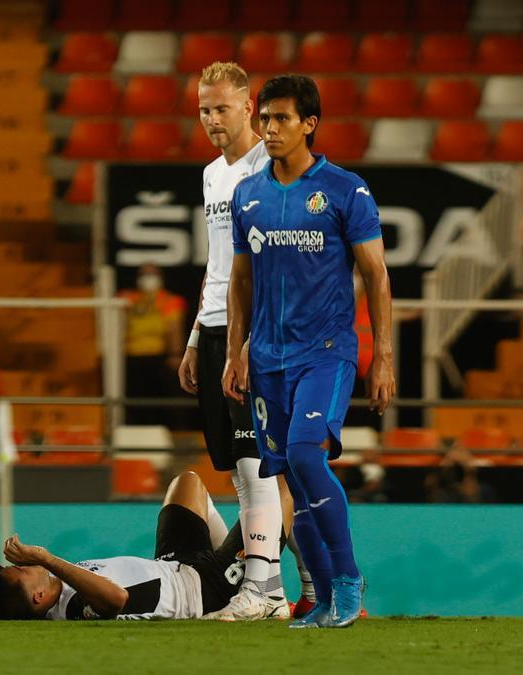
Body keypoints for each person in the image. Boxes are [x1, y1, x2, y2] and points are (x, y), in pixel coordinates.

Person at [223, 74, 396, 629]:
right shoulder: (247, 193)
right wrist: (235, 350)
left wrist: (385, 357)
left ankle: (347, 580)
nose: (269, 129)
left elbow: (376, 274)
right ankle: (322, 599)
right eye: (265, 119)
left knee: (304, 454)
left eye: (281, 119)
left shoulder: (346, 190)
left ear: (309, 124)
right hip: (267, 358)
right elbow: (240, 280)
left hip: (326, 352)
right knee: (291, 484)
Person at [177, 61, 287, 622]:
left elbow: (270, 264)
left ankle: (263, 590)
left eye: (222, 108)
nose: (212, 119)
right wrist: (198, 335)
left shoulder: (270, 168)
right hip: (217, 326)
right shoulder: (212, 175)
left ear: (249, 108)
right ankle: (271, 583)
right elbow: (217, 264)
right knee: (241, 467)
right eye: (204, 109)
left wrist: (249, 342)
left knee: (256, 463)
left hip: (256, 330)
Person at [0, 470, 294, 621]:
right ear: (38, 599)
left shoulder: (12, 590)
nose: (22, 566)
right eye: (23, 571)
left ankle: (241, 557)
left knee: (187, 483)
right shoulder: (73, 607)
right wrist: (47, 558)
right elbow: (117, 599)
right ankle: (259, 588)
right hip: (203, 590)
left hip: (175, 562)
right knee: (279, 490)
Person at [119, 264, 186, 426]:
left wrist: (175, 354)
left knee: (164, 400)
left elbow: (174, 329)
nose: (148, 279)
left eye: (152, 274)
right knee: (135, 401)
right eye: (144, 275)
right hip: (131, 357)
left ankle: (174, 431)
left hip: (159, 357)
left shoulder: (170, 300)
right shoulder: (128, 299)